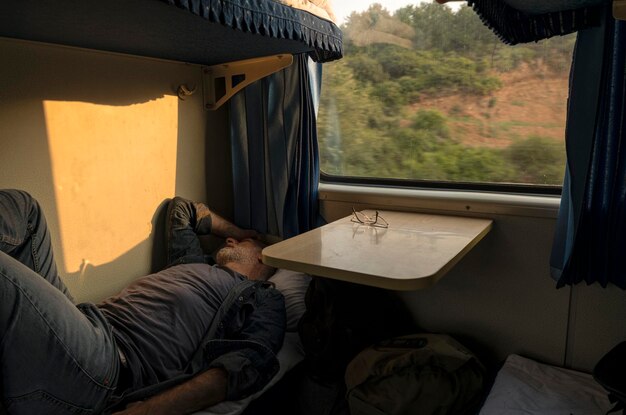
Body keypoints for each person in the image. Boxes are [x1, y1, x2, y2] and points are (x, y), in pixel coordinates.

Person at [0, 190, 286, 415]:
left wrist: (144, 411)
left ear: (262, 257)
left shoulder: (263, 297)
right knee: (26, 210)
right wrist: (237, 233)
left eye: (240, 244)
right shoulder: (191, 262)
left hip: (109, 364)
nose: (231, 244)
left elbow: (248, 365)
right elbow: (182, 209)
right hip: (87, 322)